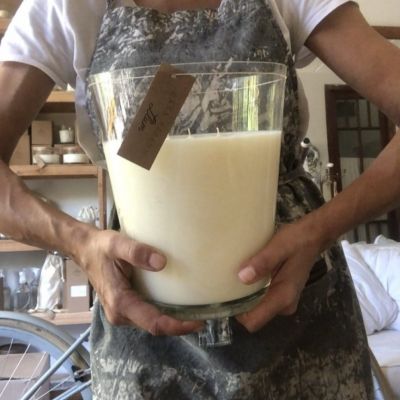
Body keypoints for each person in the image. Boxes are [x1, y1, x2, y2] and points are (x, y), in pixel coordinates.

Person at [0, 0, 399, 398]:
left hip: (293, 296)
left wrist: (318, 231)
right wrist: (79, 242)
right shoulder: (64, 6)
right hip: (146, 305)